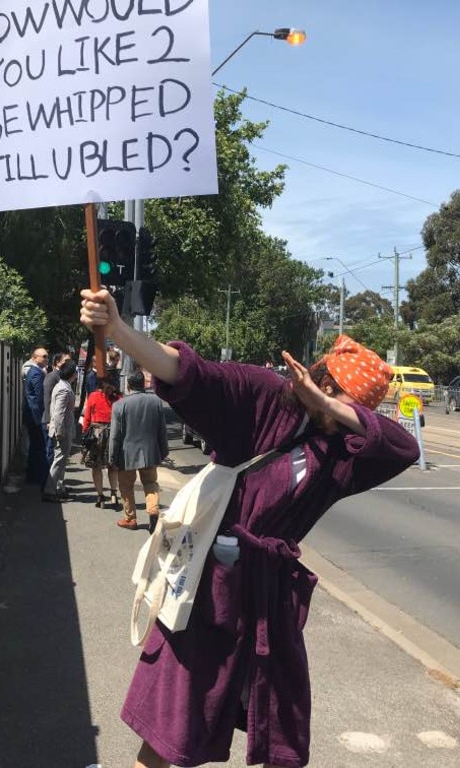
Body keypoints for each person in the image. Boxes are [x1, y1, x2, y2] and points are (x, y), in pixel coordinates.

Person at [80, 287, 419, 768]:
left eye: (356, 414)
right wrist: (117, 330)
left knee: (283, 724)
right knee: (178, 722)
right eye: (344, 402)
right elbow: (188, 372)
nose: (346, 422)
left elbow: (403, 448)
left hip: (271, 598)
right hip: (211, 587)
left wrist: (337, 411)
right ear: (321, 376)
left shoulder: (344, 452)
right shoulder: (264, 396)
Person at [109, 370, 169, 531]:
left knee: (126, 486)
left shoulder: (119, 405)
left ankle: (130, 518)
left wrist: (112, 457)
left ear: (128, 386)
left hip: (126, 454)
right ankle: (153, 510)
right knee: (150, 482)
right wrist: (164, 450)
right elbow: (161, 429)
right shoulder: (156, 402)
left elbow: (115, 435)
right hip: (150, 452)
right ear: (143, 385)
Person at [82, 370, 121, 508]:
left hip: (97, 434)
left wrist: (84, 433)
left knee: (96, 466)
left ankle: (100, 496)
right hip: (114, 433)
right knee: (113, 466)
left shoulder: (93, 396)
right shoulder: (118, 398)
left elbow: (87, 417)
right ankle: (114, 494)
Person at [44, 360, 78, 501]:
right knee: (59, 460)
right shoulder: (64, 389)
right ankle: (49, 490)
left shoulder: (64, 385)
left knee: (62, 459)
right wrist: (59, 431)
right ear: (72, 374)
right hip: (62, 430)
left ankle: (59, 487)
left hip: (63, 429)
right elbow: (59, 414)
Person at [23, 347, 49, 484]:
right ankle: (36, 477)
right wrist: (43, 417)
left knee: (35, 446)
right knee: (38, 446)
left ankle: (32, 476)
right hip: (36, 416)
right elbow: (39, 398)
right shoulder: (36, 374)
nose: (46, 359)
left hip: (32, 414)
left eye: (47, 356)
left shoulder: (35, 372)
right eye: (43, 356)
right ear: (35, 357)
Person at [43, 352, 72, 469]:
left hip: (57, 421)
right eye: (66, 361)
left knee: (57, 454)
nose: (69, 364)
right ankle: (48, 483)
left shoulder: (60, 376)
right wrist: (48, 420)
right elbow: (47, 399)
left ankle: (57, 484)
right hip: (52, 421)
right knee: (51, 453)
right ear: (58, 362)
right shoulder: (52, 376)